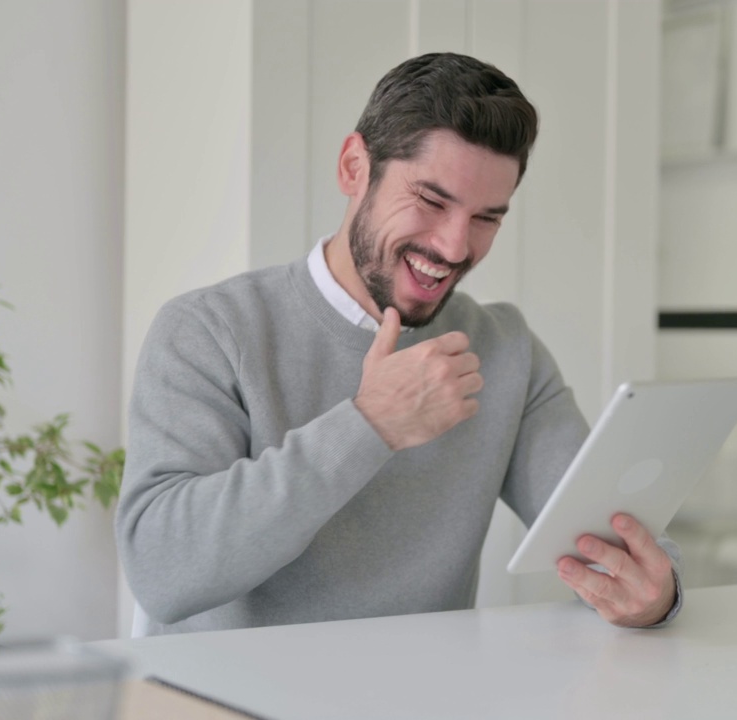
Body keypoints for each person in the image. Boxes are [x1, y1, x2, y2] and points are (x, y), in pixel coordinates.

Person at [115, 52, 681, 636]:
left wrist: (656, 593)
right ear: (354, 167)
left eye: (486, 217)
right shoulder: (209, 330)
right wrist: (369, 425)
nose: (456, 246)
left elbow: (611, 537)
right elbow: (162, 573)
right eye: (432, 202)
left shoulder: (505, 348)